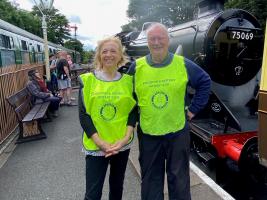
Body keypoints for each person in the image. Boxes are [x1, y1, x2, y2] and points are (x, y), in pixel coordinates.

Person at [127, 23, 211, 200]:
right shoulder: (136, 67)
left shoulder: (182, 64)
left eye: (161, 38)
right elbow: (128, 98)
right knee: (150, 180)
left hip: (177, 132)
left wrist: (193, 110)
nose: (157, 42)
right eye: (152, 39)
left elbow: (205, 81)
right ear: (147, 42)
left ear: (168, 40)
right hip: (149, 134)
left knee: (179, 180)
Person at [78, 36, 137, 200]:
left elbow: (132, 112)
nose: (109, 55)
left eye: (113, 51)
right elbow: (84, 116)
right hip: (96, 145)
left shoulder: (128, 81)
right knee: (93, 193)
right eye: (105, 51)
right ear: (99, 56)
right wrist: (101, 143)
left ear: (120, 55)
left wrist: (125, 138)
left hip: (121, 144)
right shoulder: (88, 81)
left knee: (117, 188)